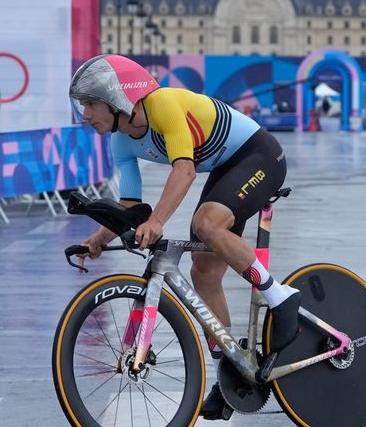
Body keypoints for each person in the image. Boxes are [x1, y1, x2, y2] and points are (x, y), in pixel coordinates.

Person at [69, 54, 301, 421]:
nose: (85, 115)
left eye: (91, 104)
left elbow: (185, 170)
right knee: (203, 271)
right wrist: (97, 238)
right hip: (227, 167)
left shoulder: (163, 105)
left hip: (259, 155)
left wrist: (159, 221)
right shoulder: (121, 142)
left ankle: (280, 297)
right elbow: (131, 206)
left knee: (207, 224)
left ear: (116, 99)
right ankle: (235, 372)